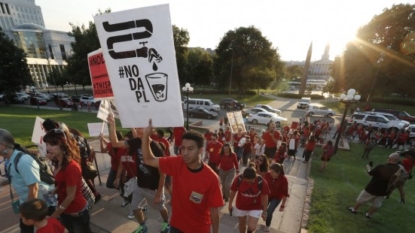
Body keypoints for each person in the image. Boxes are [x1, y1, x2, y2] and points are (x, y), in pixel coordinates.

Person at [141, 119, 223, 233]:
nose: (185, 153)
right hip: (176, 226)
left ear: (200, 150)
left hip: (199, 230)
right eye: (183, 148)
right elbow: (148, 159)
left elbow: (214, 210)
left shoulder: (212, 178)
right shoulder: (177, 163)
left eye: (190, 149)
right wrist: (145, 135)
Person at [107, 115, 170, 233]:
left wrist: (158, 194)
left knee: (161, 207)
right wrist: (112, 124)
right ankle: (143, 226)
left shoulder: (156, 148)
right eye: (138, 127)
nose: (139, 129)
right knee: (135, 207)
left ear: (151, 130)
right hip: (139, 184)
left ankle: (166, 222)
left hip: (154, 187)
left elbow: (163, 174)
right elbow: (115, 143)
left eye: (142, 127)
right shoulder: (136, 142)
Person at [0, 129, 55, 233]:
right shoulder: (10, 158)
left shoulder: (23, 161)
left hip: (43, 203)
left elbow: (34, 188)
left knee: (47, 228)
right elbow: (16, 177)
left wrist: (27, 213)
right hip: (32, 202)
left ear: (2, 146)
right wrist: (2, 183)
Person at [43, 128, 91, 232]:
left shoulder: (71, 167)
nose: (48, 148)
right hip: (65, 210)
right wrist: (55, 190)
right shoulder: (58, 161)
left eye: (52, 144)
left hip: (76, 212)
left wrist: (53, 216)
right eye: (47, 144)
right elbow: (63, 183)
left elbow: (71, 196)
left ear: (62, 144)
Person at [348, 153, 401, 218]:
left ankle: (354, 209)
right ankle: (369, 215)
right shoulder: (399, 169)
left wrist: (368, 167)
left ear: (389, 159)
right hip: (384, 190)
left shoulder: (381, 167)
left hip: (372, 187)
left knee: (361, 199)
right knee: (377, 203)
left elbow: (370, 173)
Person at [228, 164, 270, 233]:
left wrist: (265, 212)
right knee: (242, 223)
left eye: (251, 182)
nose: (249, 184)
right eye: (247, 182)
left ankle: (249, 231)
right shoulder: (238, 179)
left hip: (255, 206)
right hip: (241, 205)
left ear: (255, 177)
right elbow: (233, 191)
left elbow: (265, 197)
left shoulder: (261, 181)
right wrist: (230, 204)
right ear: (244, 178)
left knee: (252, 227)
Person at [263, 163, 289, 232]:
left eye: (273, 172)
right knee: (263, 208)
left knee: (269, 212)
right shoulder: (268, 175)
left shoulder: (284, 180)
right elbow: (263, 185)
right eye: (270, 171)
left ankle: (267, 225)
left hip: (277, 197)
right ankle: (264, 215)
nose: (271, 173)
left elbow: (285, 194)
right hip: (267, 195)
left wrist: (282, 205)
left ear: (279, 172)